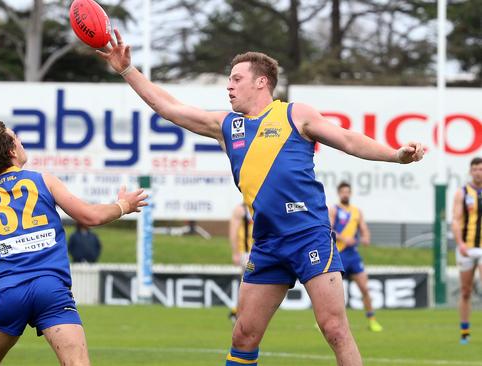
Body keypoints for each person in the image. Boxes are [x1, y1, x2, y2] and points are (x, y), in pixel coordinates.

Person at [97, 29, 424, 366]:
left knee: (334, 329)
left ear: (261, 82)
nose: (229, 86)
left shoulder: (294, 114)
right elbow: (170, 108)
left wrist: (395, 155)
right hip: (267, 242)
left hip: (308, 234)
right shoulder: (227, 126)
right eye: (229, 80)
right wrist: (126, 70)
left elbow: (348, 139)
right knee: (244, 335)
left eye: (237, 79)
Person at [0, 121, 148, 366]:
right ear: (12, 151)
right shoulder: (44, 181)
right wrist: (123, 206)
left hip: (8, 293)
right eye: (16, 138)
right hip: (50, 290)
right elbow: (90, 216)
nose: (21, 142)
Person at [328, 181, 383, 332]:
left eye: (347, 192)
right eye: (343, 192)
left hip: (353, 255)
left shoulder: (356, 211)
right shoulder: (334, 210)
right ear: (339, 193)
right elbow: (329, 228)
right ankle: (326, 320)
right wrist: (343, 238)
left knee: (365, 288)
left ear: (350, 193)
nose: (345, 194)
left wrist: (366, 237)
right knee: (333, 292)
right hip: (339, 255)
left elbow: (364, 228)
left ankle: (372, 320)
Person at [451, 157, 482, 345]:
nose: (478, 172)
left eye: (481, 169)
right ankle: (465, 331)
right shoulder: (462, 193)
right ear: (471, 171)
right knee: (465, 291)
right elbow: (455, 219)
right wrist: (460, 243)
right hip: (467, 248)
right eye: (476, 169)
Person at [228, 203, 253, 323]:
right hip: (246, 254)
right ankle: (238, 312)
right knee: (249, 283)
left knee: (249, 283)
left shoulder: (257, 207)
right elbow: (234, 232)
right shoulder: (241, 209)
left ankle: (239, 312)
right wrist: (235, 253)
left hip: (258, 253)